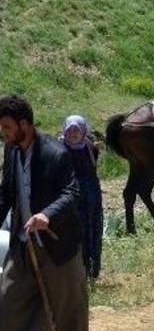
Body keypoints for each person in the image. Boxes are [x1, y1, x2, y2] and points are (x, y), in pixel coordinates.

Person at [0, 95, 88, 331]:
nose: (3, 133)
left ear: (24, 124)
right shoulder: (11, 151)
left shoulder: (55, 153)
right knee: (9, 298)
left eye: (7, 127)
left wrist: (47, 215)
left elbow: (71, 193)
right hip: (24, 241)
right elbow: (6, 194)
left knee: (67, 305)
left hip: (56, 242)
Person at [59, 115, 104, 280]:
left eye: (76, 130)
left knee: (94, 230)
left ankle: (92, 271)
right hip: (71, 199)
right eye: (70, 130)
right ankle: (76, 274)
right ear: (65, 130)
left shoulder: (89, 146)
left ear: (83, 131)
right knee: (75, 234)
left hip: (92, 197)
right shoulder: (59, 149)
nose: (73, 133)